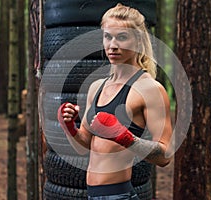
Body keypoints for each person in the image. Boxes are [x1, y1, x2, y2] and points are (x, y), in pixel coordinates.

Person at [57, 3, 172, 200]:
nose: (113, 45)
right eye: (108, 36)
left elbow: (164, 156)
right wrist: (69, 126)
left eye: (122, 37)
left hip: (119, 195)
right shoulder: (97, 87)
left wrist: (124, 137)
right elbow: (84, 145)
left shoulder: (150, 89)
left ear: (138, 41)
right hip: (92, 195)